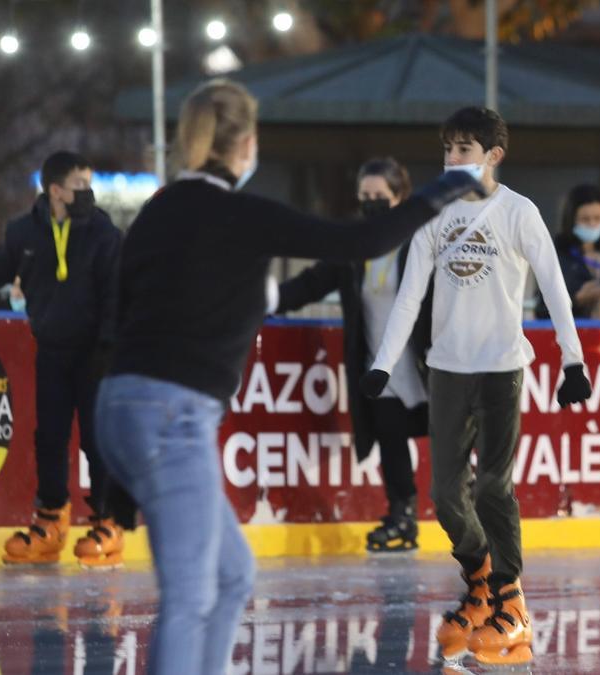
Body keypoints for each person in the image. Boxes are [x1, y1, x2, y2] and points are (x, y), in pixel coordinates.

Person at [95, 78, 480, 675]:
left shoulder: (158, 210)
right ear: (246, 143)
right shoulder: (241, 213)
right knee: (193, 593)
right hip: (173, 413)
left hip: (120, 403)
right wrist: (437, 193)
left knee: (231, 575)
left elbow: (121, 313)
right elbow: (358, 240)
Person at [362, 106, 592, 666]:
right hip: (447, 369)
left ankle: (511, 602)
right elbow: (409, 295)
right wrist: (383, 365)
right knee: (444, 493)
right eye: (447, 149)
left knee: (492, 485)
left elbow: (555, 288)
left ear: (493, 156)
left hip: (500, 367)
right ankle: (481, 579)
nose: (452, 159)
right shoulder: (433, 215)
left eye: (463, 149)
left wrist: (573, 361)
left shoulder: (519, 212)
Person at [0, 151, 135, 568]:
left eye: (89, 184)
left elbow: (118, 295)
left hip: (95, 353)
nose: (89, 193)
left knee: (98, 441)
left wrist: (109, 347)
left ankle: (108, 522)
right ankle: (50, 521)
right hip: (53, 351)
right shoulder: (24, 233)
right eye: (80, 186)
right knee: (49, 439)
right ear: (56, 190)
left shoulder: (103, 234)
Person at [275, 156, 431, 552]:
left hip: (428, 363)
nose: (372, 203)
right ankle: (402, 515)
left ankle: (469, 516)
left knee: (451, 442)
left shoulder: (423, 240)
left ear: (401, 197)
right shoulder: (354, 245)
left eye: (381, 195)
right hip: (379, 366)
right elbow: (313, 282)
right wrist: (266, 299)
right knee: (391, 440)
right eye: (365, 196)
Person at [535, 183, 600, 320]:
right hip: (573, 336)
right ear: (571, 220)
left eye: (598, 218)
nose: (592, 224)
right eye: (585, 219)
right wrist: (578, 299)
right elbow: (542, 311)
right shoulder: (554, 254)